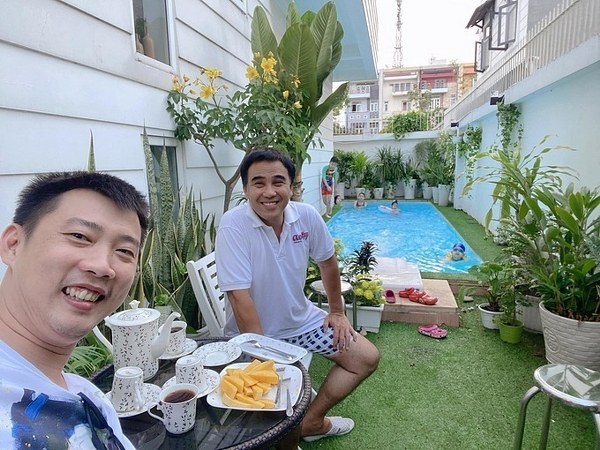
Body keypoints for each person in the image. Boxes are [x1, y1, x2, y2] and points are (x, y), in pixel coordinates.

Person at [215, 149, 380, 443]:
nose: (269, 192)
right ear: (246, 189)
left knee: (365, 358)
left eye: (278, 182)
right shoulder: (233, 225)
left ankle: (312, 422)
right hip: (255, 337)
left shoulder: (306, 216)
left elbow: (327, 262)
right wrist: (265, 360)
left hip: (302, 323)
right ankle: (291, 432)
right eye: (258, 183)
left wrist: (337, 312)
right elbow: (239, 298)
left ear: (291, 186)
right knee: (283, 419)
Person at [0, 171, 150, 450]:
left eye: (124, 251)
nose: (103, 266)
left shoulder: (91, 399)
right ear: (13, 245)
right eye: (79, 236)